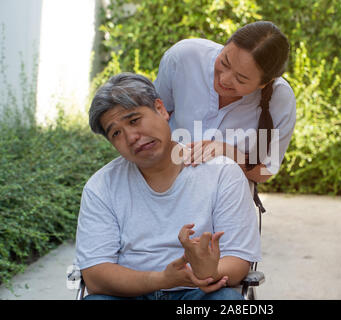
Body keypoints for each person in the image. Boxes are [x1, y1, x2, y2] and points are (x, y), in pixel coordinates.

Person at [75, 73, 261, 300]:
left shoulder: (222, 173)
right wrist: (163, 279)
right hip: (130, 294)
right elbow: (95, 275)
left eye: (134, 120)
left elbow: (238, 262)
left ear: (161, 109)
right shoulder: (101, 187)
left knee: (228, 301)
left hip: (199, 292)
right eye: (116, 133)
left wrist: (204, 272)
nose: (132, 136)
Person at [154, 21, 296, 184]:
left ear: (264, 83)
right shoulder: (184, 57)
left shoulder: (280, 98)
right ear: (226, 44)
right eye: (224, 62)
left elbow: (265, 171)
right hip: (164, 187)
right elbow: (153, 117)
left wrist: (229, 153)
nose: (224, 79)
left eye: (240, 79)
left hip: (226, 201)